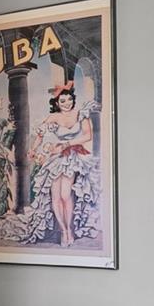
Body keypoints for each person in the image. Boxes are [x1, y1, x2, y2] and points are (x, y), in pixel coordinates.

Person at [33, 81, 95, 246]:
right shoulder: (53, 117)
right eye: (63, 101)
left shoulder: (81, 114)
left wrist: (67, 145)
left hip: (72, 156)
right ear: (56, 103)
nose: (67, 103)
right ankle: (63, 231)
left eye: (69, 99)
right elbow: (40, 134)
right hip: (55, 158)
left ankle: (70, 229)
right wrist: (33, 149)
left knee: (65, 195)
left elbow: (88, 136)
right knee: (55, 197)